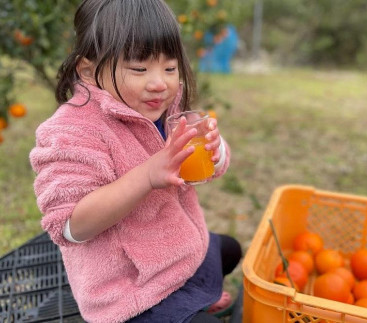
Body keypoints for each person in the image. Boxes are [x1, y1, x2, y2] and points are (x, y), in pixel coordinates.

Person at [29, 0, 242, 322]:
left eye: (170, 68)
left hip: (174, 248)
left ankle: (196, 295)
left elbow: (205, 169)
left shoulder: (164, 106)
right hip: (131, 285)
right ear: (89, 71)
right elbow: (70, 226)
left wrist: (215, 149)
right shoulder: (70, 130)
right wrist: (146, 177)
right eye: (139, 69)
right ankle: (188, 305)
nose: (160, 83)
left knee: (230, 248)